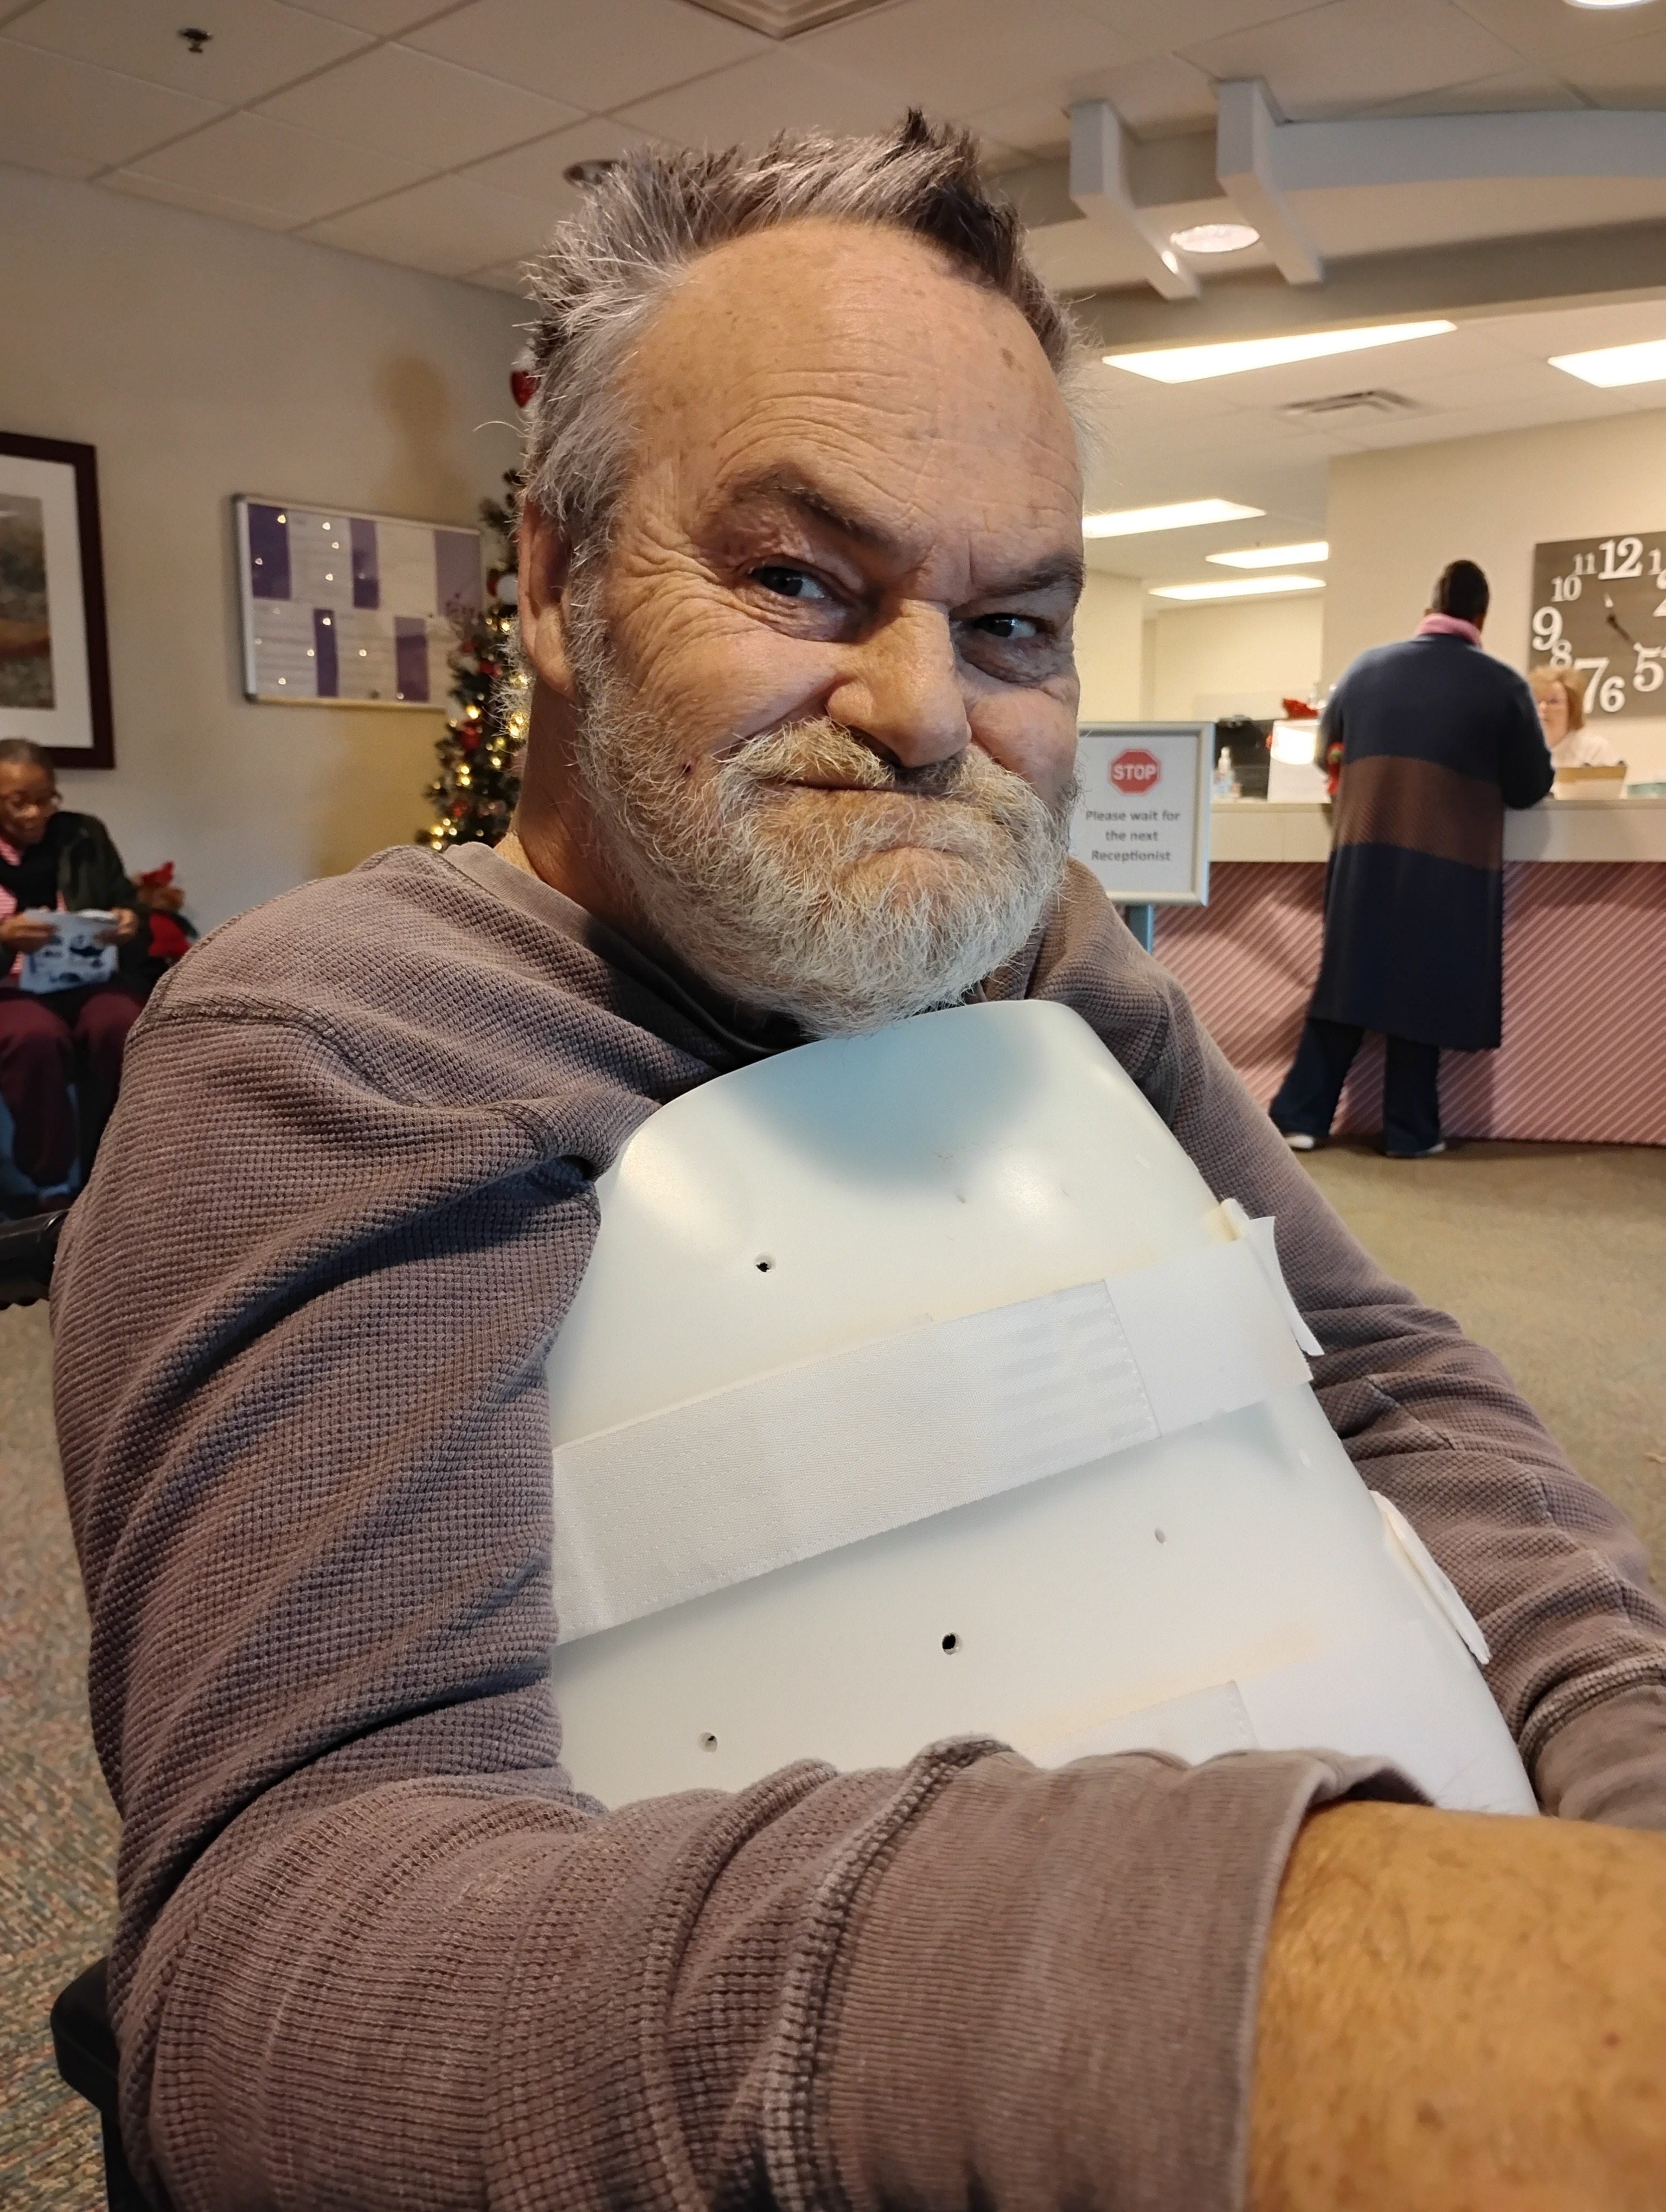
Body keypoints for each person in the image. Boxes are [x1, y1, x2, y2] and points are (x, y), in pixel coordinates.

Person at [50, 125, 1666, 2212]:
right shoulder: (356, 1052)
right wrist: (1255, 1986)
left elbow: (1388, 1382)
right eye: (800, 578)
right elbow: (289, 1974)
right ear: (550, 583)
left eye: (1014, 623)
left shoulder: (1051, 957)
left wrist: (1623, 1802)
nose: (923, 711)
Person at [1270, 562, 1553, 1159]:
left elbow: (1326, 754)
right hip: (1449, 863)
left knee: (1347, 983)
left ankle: (1300, 1117)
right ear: (1481, 618)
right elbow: (1530, 785)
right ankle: (1411, 1130)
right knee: (1421, 992)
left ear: (1430, 610)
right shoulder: (1502, 686)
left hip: (1364, 850)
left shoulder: (1366, 669)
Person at [0, 736, 147, 1203]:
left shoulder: (84, 835)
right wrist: (4, 939)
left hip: (84, 979)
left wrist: (128, 922)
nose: (34, 813)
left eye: (46, 799)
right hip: (8, 986)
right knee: (34, 1039)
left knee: (121, 1024)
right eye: (18, 802)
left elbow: (126, 904)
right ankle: (52, 1185)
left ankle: (126, 1164)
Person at [1529, 663, 1619, 770]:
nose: (1543, 708)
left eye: (1553, 701)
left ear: (1572, 708)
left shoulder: (1594, 751)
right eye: (1536, 701)